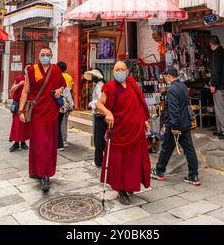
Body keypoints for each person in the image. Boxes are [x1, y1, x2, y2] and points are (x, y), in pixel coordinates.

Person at [96, 61, 151, 206]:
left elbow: (139, 103)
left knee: (133, 162)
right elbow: (99, 104)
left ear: (127, 71)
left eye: (122, 69)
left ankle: (130, 185)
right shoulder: (110, 87)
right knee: (120, 163)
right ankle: (121, 190)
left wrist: (144, 119)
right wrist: (107, 112)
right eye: (117, 69)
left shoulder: (132, 83)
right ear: (113, 72)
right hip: (119, 132)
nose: (119, 72)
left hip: (136, 131)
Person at [18, 47, 66, 192]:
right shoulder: (32, 70)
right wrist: (21, 110)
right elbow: (25, 91)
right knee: (39, 143)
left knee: (49, 143)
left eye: (48, 55)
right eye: (43, 55)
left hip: (51, 112)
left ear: (51, 56)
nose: (45, 57)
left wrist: (59, 91)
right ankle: (39, 172)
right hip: (37, 113)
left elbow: (62, 85)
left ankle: (45, 174)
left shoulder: (56, 70)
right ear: (39, 56)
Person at [151, 67, 201, 186]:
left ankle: (159, 171)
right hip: (185, 123)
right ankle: (194, 175)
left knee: (166, 149)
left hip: (175, 125)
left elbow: (173, 110)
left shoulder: (172, 89)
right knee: (189, 150)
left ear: (169, 76)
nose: (164, 78)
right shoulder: (183, 86)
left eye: (165, 76)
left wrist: (174, 126)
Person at [209, 35, 224, 139]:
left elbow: (216, 71)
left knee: (221, 109)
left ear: (211, 44)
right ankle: (220, 130)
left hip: (220, 86)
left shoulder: (216, 54)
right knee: (220, 109)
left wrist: (213, 84)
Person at [85, 68, 106, 168]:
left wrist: (91, 104)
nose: (92, 78)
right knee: (100, 139)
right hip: (100, 114)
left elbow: (99, 101)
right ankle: (102, 159)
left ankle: (98, 161)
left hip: (99, 115)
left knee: (98, 139)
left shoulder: (99, 86)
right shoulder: (100, 85)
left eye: (93, 76)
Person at [9, 64, 31, 152]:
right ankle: (16, 143)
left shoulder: (33, 80)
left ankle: (23, 142)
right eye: (27, 68)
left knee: (25, 124)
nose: (28, 70)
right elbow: (12, 90)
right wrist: (19, 84)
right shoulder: (19, 78)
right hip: (18, 104)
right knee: (16, 124)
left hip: (27, 105)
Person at [57, 62, 74, 150]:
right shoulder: (69, 77)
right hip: (67, 102)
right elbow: (71, 90)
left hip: (60, 103)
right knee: (64, 123)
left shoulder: (57, 77)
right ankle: (64, 140)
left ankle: (61, 141)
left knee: (60, 124)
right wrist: (71, 104)